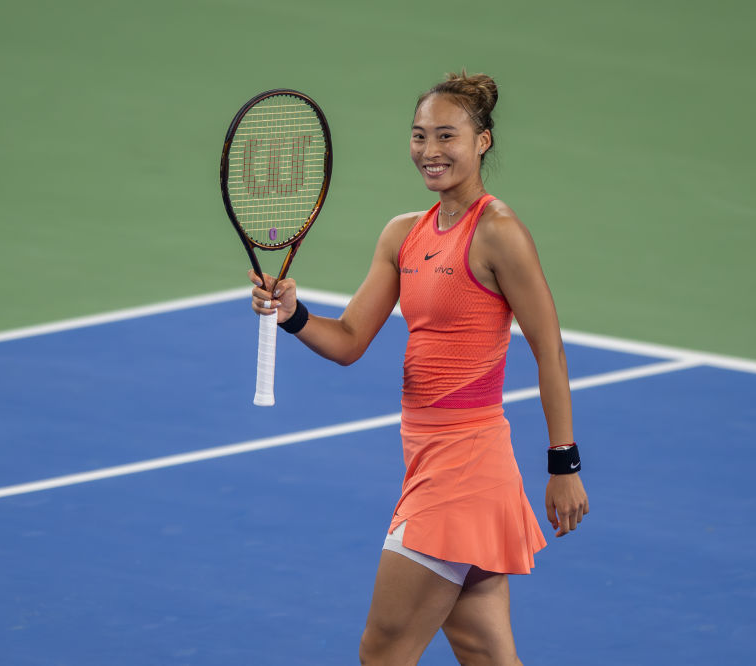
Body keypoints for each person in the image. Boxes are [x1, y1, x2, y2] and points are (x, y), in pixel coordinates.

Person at [249, 71, 589, 665]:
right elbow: (349, 340)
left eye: (447, 135)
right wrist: (293, 314)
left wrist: (564, 463)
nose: (430, 150)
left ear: (482, 141)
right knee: (484, 652)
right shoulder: (403, 235)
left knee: (382, 652)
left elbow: (550, 351)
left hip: (465, 469)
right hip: (428, 458)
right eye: (419, 135)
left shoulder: (499, 232)